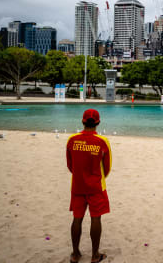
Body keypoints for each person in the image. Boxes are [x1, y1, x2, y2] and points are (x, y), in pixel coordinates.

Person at [66, 109, 112, 263]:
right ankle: (94, 255)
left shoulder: (72, 139)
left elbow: (70, 165)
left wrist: (80, 176)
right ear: (98, 122)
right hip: (96, 186)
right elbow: (107, 167)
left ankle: (75, 254)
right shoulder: (102, 141)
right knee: (95, 218)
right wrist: (95, 178)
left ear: (82, 121)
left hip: (77, 186)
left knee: (77, 219)